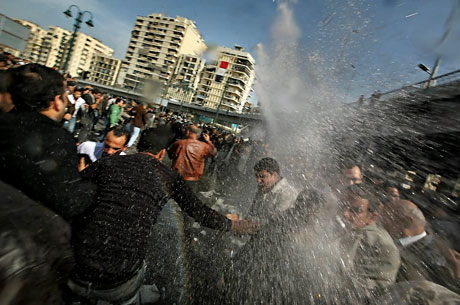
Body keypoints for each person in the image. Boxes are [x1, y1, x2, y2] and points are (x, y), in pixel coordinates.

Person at [68, 127, 256, 304]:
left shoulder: (107, 162)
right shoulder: (167, 176)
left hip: (78, 266)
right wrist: (232, 225)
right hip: (119, 278)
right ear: (160, 153)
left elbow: (72, 190)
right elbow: (199, 211)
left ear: (136, 146)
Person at [0, 64, 96, 220]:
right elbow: (66, 202)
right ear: (57, 101)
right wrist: (89, 186)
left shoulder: (5, 123)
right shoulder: (56, 138)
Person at [381, 200, 460, 294]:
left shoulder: (435, 257)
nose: (378, 220)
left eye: (384, 216)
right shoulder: (437, 243)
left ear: (406, 221)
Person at [340, 184, 401, 301]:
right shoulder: (334, 228)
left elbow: (374, 293)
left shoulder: (381, 245)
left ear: (372, 217)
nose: (345, 214)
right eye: (342, 206)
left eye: (355, 210)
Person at [248, 157, 299, 224]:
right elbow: (252, 214)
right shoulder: (263, 188)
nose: (258, 180)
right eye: (257, 176)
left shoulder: (287, 193)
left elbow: (276, 223)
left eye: (262, 176)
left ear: (275, 175)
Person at [168, 124, 217, 192]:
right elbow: (213, 153)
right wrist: (208, 141)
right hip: (193, 180)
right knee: (187, 200)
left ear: (188, 132)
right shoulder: (204, 146)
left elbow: (170, 155)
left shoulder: (179, 143)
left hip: (177, 177)